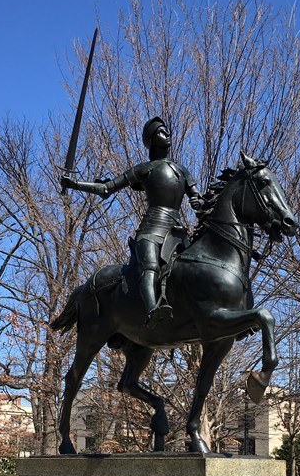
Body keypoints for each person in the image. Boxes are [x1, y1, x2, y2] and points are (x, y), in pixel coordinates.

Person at [61, 117, 203, 327]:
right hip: (151, 229)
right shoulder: (144, 169)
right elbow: (107, 188)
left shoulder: (182, 170)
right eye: (163, 132)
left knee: (197, 269)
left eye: (167, 131)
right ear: (152, 139)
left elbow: (197, 200)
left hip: (177, 232)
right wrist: (75, 184)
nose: (168, 135)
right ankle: (152, 310)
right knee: (150, 268)